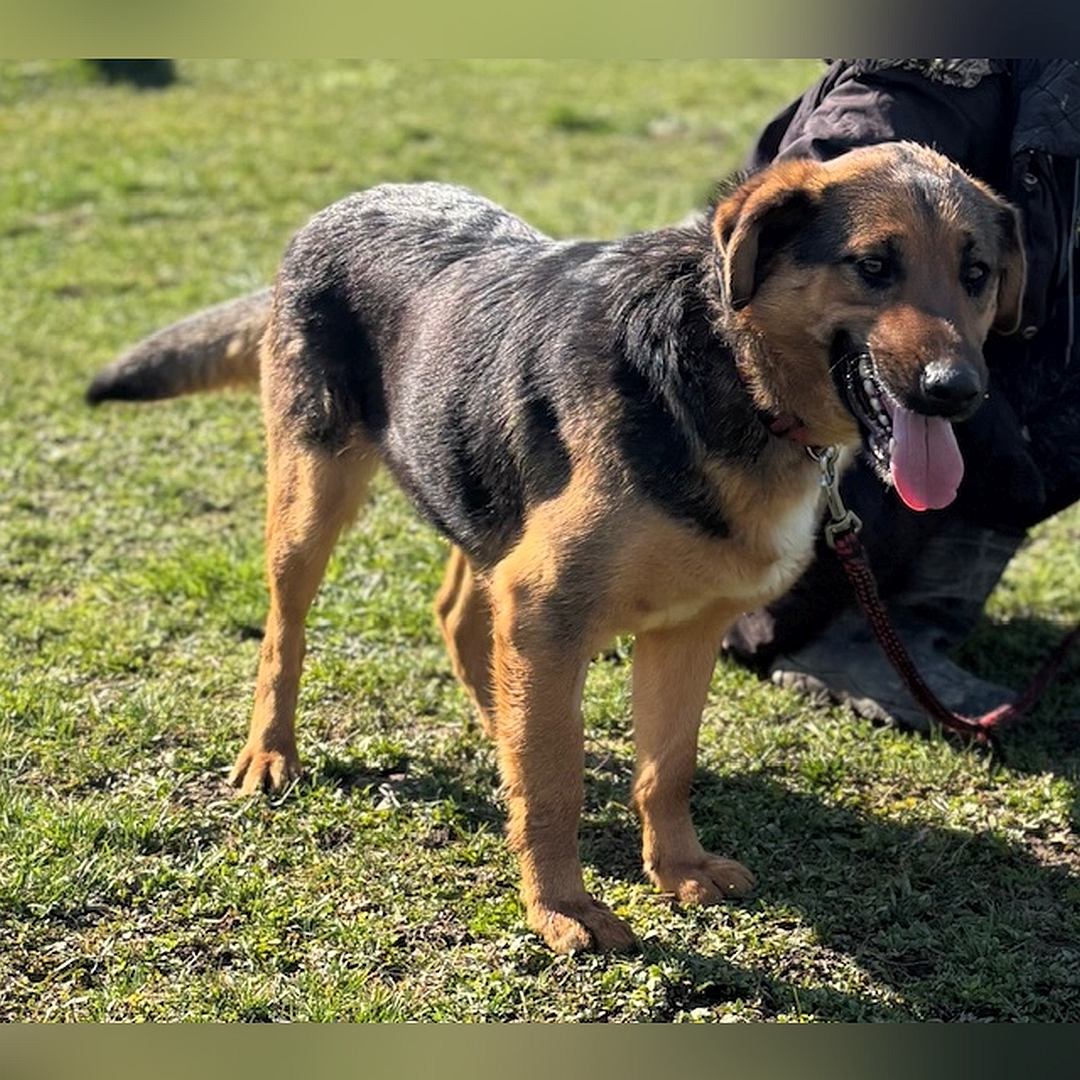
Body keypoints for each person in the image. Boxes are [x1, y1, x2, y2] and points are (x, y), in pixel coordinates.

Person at [722, 59, 1080, 729]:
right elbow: (820, 192)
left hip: (979, 370)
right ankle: (807, 620)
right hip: (792, 433)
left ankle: (918, 614)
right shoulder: (934, 64)